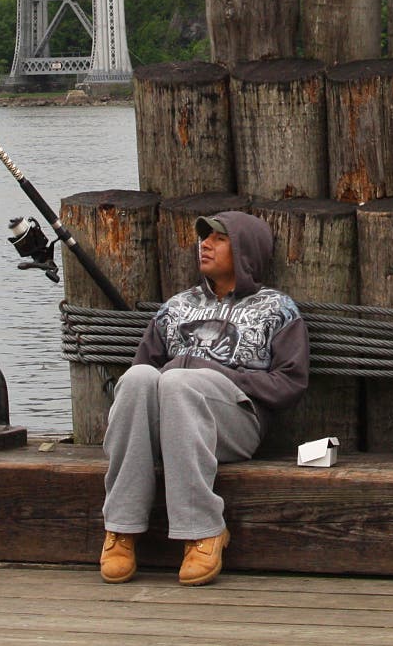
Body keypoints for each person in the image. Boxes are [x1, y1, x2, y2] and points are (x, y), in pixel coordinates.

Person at [99, 210, 308, 586]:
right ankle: (121, 528)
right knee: (136, 379)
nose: (205, 245)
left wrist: (212, 374)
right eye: (204, 237)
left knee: (180, 382)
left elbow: (290, 384)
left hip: (237, 423)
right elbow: (144, 371)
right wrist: (180, 371)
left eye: (219, 239)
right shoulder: (175, 307)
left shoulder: (278, 310)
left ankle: (203, 531)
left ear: (245, 251)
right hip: (170, 417)